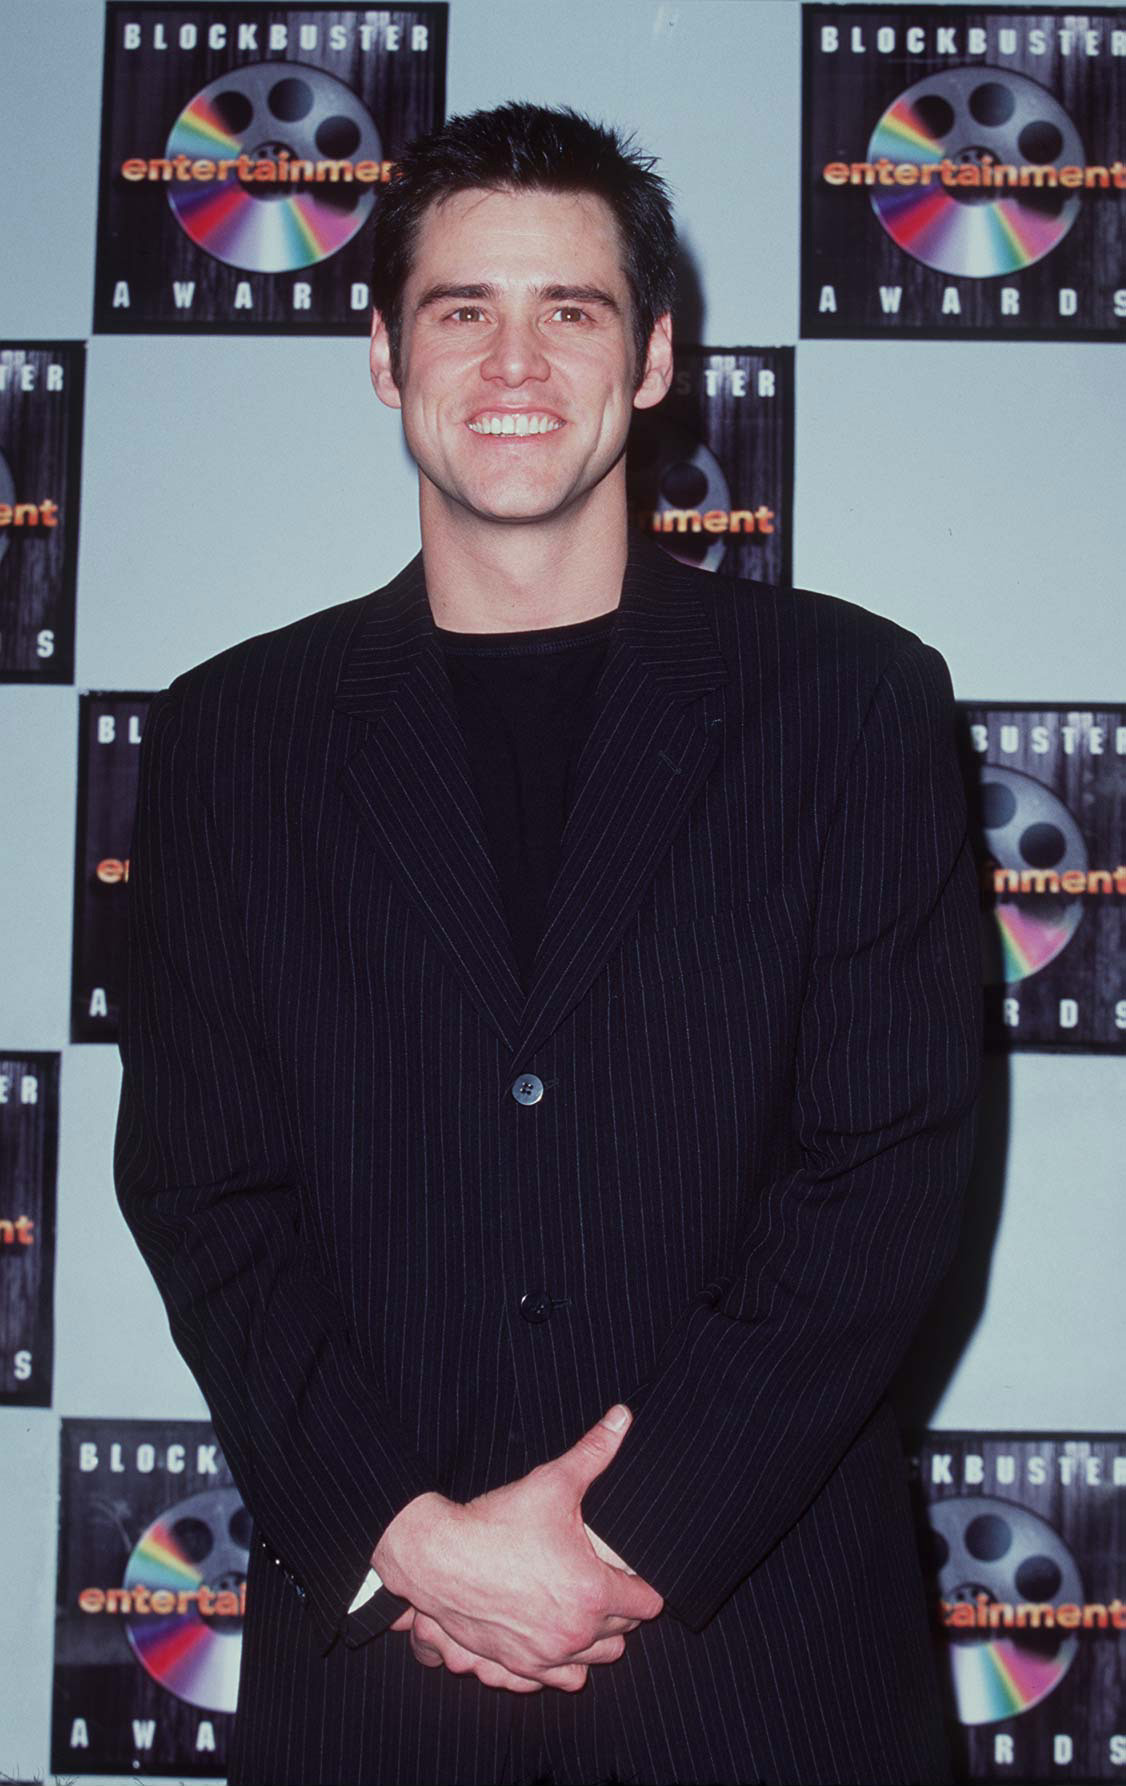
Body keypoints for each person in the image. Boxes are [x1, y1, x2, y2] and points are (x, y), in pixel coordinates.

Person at [115, 102, 982, 1786]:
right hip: (380, 1686)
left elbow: (882, 1175)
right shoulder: (233, 738)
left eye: (569, 310)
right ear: (381, 355)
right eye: (460, 310)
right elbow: (209, 1198)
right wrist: (408, 1541)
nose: (514, 360)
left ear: (653, 359)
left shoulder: (852, 706)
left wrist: (609, 1546)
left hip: (767, 1685)